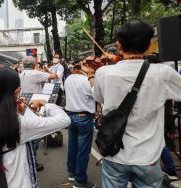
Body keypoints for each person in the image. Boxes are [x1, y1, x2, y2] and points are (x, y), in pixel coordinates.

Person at [93, 20, 181, 187]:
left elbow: (100, 99)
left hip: (114, 153)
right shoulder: (163, 73)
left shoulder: (103, 73)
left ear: (118, 45)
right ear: (149, 46)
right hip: (147, 156)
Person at [0, 67, 71, 187]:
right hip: (16, 181)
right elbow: (65, 120)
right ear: (17, 91)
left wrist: (20, 110)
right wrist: (46, 104)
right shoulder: (19, 123)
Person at [64, 59, 96, 188]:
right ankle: (80, 180)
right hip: (84, 117)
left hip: (71, 116)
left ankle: (72, 173)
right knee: (83, 150)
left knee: (72, 146)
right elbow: (96, 95)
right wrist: (92, 76)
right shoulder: (86, 80)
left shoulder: (69, 78)